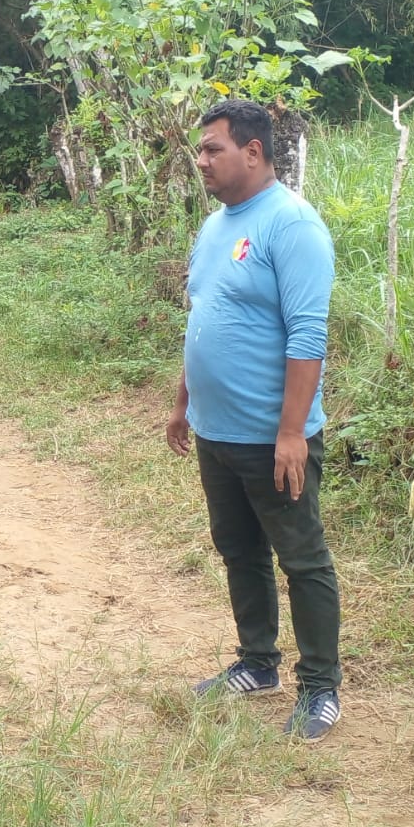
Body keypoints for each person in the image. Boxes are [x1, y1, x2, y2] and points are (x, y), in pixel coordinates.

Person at [165, 99, 342, 741]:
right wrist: (183, 402)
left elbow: (308, 336)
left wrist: (291, 432)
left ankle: (320, 687)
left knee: (302, 559)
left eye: (212, 148)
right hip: (216, 433)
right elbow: (204, 315)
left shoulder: (291, 226)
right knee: (238, 549)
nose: (201, 160)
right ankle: (257, 663)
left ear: (253, 151)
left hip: (272, 438)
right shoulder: (215, 226)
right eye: (201, 149)